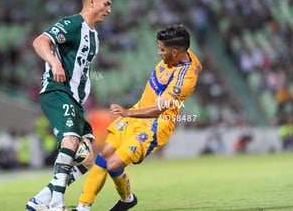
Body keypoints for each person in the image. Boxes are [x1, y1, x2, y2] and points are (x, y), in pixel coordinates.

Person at [72, 24, 202, 211]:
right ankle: (83, 208)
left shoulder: (183, 81)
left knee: (113, 164)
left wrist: (127, 112)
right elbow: (199, 66)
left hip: (155, 126)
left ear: (174, 52)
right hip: (137, 112)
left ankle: (127, 200)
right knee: (103, 156)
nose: (158, 52)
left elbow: (158, 110)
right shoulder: (188, 58)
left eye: (162, 49)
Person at [26, 0, 114, 211]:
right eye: (106, 4)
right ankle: (56, 203)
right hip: (57, 91)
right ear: (91, 1)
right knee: (71, 141)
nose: (109, 10)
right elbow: (40, 41)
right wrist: (54, 62)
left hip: (75, 100)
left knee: (87, 159)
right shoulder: (72, 23)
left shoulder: (94, 37)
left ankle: (40, 199)